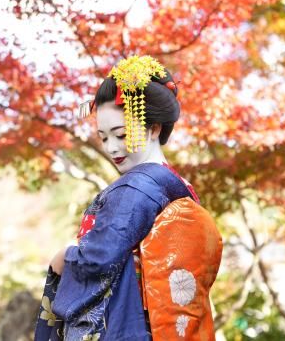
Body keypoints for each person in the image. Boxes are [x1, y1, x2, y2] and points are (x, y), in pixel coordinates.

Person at [34, 56, 222, 341]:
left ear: (154, 128)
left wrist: (65, 257)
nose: (112, 147)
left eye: (121, 134)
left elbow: (98, 259)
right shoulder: (179, 185)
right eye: (104, 137)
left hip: (125, 325)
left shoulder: (136, 187)